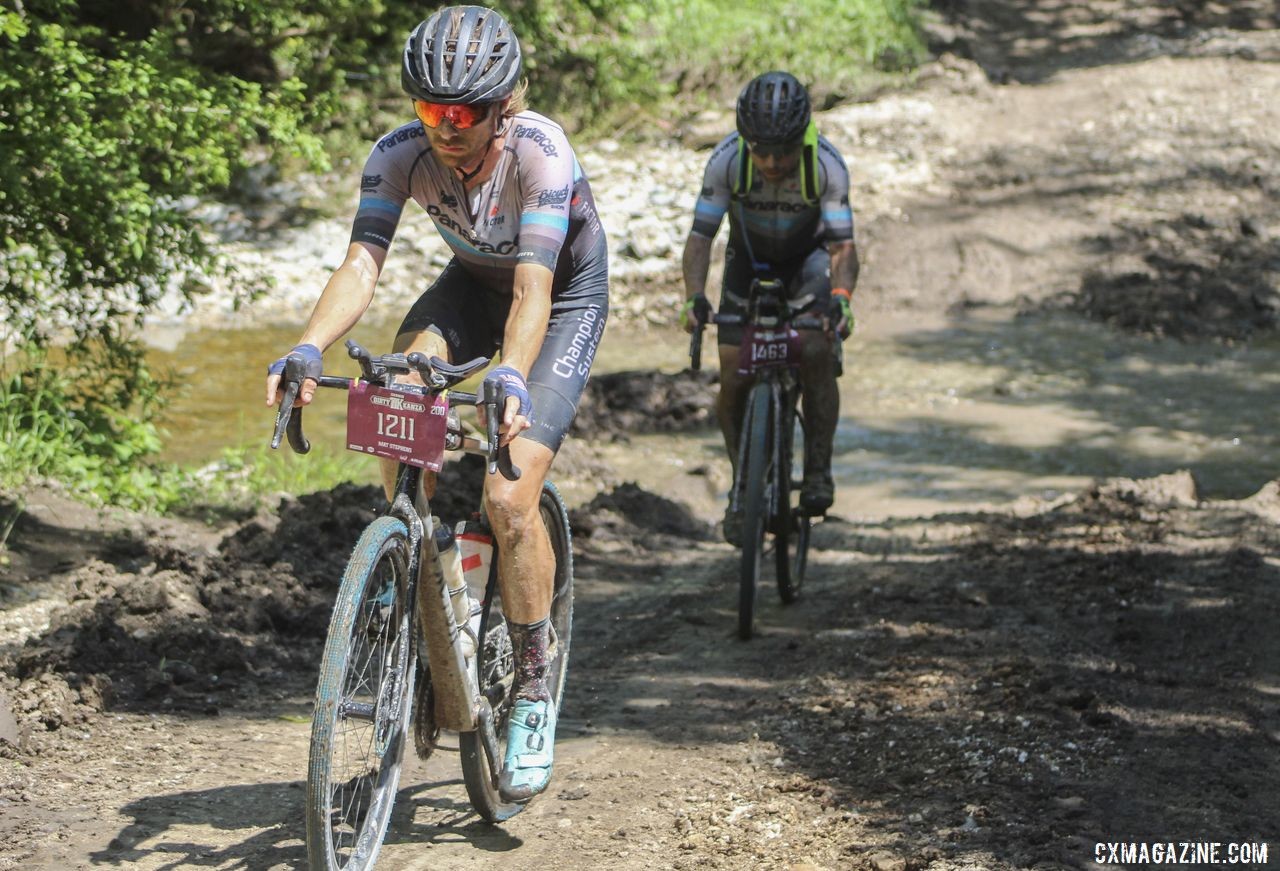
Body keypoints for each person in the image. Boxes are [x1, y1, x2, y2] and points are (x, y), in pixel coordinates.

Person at [264, 5, 608, 801]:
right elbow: (361, 264)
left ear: (504, 106)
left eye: (463, 112)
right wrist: (309, 345)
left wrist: (512, 376)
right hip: (467, 289)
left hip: (558, 301)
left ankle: (529, 681)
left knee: (507, 494)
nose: (445, 127)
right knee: (398, 388)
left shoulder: (541, 153)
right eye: (429, 109)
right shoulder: (399, 155)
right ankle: (415, 574)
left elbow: (531, 289)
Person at [679, 71, 858, 544]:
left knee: (817, 353)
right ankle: (745, 487)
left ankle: (818, 471)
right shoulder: (725, 162)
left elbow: (842, 247)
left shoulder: (826, 166)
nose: (773, 161)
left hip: (808, 263)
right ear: (746, 141)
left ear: (801, 139)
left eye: (783, 150)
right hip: (748, 262)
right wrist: (694, 297)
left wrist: (841, 300)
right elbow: (701, 238)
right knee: (733, 373)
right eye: (762, 150)